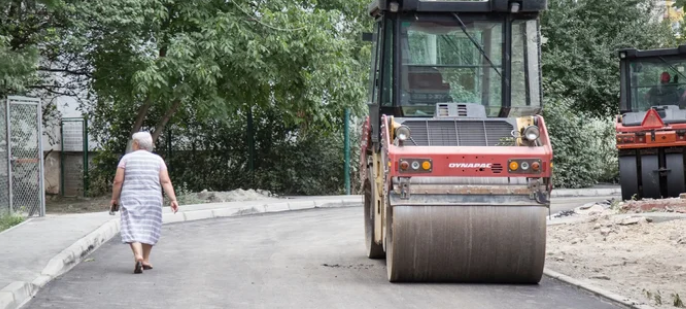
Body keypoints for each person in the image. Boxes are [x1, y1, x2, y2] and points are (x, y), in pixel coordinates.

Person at [110, 131, 179, 274]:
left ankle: (138, 255)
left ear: (135, 144)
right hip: (152, 199)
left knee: (132, 226)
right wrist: (173, 199)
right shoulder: (158, 160)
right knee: (150, 227)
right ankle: (146, 259)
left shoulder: (126, 159)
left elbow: (118, 181)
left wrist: (114, 198)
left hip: (131, 198)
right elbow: (165, 181)